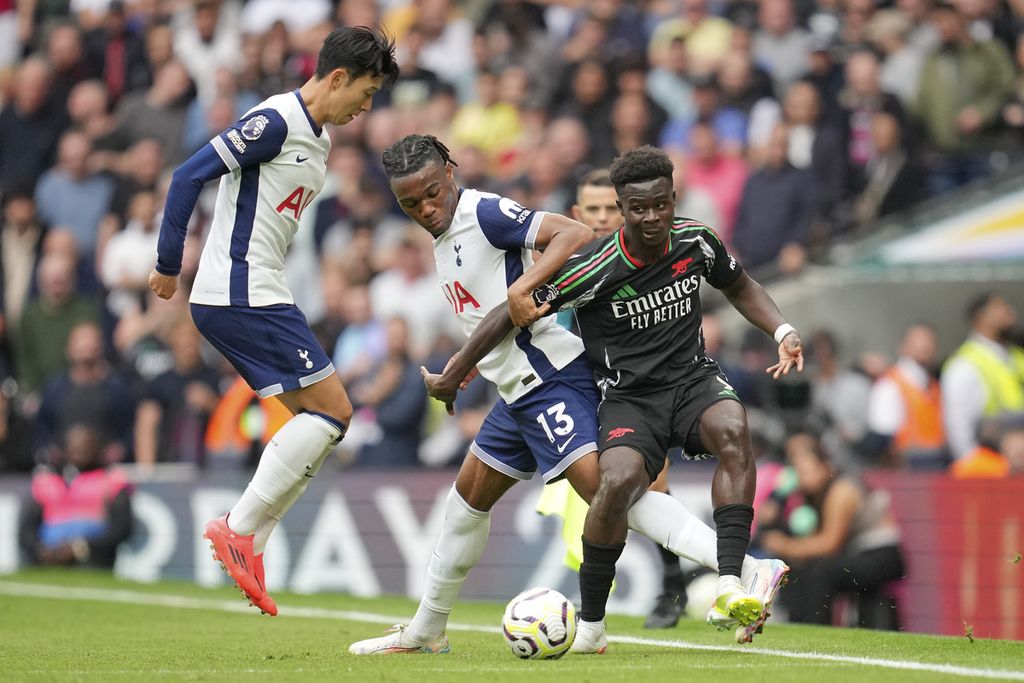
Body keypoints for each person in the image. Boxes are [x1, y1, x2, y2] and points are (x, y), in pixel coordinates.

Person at [348, 136, 787, 657]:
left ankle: (744, 568)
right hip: (516, 390)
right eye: (410, 203)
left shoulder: (482, 213)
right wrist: (465, 365)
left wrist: (520, 291)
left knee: (612, 495)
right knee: (465, 505)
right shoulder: (449, 235)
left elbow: (573, 232)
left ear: (449, 171)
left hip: (551, 377)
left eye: (431, 193)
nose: (426, 208)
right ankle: (427, 628)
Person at [147, 26, 399, 616]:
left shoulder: (319, 140)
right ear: (336, 78)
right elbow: (188, 176)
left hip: (258, 293)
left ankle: (251, 540)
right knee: (335, 411)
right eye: (364, 93)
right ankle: (238, 529)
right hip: (241, 292)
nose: (366, 107)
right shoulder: (278, 121)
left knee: (318, 428)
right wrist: (166, 264)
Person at [552, 167, 703, 629]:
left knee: (647, 480)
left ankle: (671, 583)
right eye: (591, 210)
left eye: (605, 209)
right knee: (601, 489)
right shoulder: (568, 262)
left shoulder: (646, 252)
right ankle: (604, 592)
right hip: (581, 386)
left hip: (639, 389)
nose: (599, 218)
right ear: (578, 213)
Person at [761, 432, 905, 630]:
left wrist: (786, 546)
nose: (805, 479)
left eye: (811, 471)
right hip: (860, 554)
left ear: (826, 467)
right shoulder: (813, 494)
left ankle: (816, 631)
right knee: (806, 568)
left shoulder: (841, 490)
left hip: (882, 555)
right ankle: (796, 625)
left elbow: (830, 543)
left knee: (822, 570)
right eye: (800, 473)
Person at [18, 423, 133, 569]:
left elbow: (121, 528)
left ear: (96, 449)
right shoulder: (47, 481)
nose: (79, 451)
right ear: (65, 448)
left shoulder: (111, 480)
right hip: (48, 557)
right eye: (74, 447)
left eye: (85, 447)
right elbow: (26, 529)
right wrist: (40, 550)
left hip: (93, 559)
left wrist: (80, 548)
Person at [940, 293, 1024, 461]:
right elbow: (958, 427)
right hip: (993, 464)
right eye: (1000, 307)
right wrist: (974, 469)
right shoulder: (964, 363)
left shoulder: (1017, 357)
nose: (1010, 312)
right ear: (980, 318)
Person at [863, 324, 947, 469]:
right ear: (903, 347)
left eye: (930, 341)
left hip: (936, 463)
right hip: (907, 469)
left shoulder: (933, 385)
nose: (925, 346)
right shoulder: (889, 385)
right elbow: (883, 438)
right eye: (917, 341)